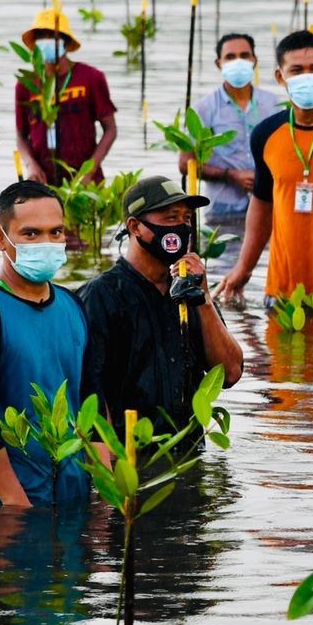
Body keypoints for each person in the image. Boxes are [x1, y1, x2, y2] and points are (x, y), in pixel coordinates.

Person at [213, 30, 313, 314]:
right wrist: (243, 269)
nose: (307, 77)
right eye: (297, 70)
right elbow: (262, 205)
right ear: (280, 77)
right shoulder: (267, 134)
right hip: (283, 291)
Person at [81, 176, 244, 434]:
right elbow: (88, 391)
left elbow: (231, 373)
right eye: (171, 218)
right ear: (135, 227)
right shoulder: (101, 296)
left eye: (186, 219)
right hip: (131, 455)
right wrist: (110, 462)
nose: (181, 226)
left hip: (188, 453)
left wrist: (203, 299)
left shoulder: (190, 291)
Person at [0, 181, 91, 511]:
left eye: (56, 232)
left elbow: (92, 403)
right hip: (8, 505)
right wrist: (15, 505)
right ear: (0, 239)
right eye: (31, 234)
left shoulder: (73, 305)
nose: (46, 243)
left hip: (73, 493)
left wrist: (105, 495)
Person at [182, 32, 283, 224]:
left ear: (255, 60)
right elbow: (186, 162)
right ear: (218, 63)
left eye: (244, 56)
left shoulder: (273, 104)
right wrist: (230, 175)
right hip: (222, 209)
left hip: (270, 206)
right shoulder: (204, 108)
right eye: (230, 57)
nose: (238, 62)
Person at [13, 8, 118, 185]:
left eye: (52, 35)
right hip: (43, 181)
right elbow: (21, 136)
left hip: (85, 180)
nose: (46, 41)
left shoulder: (91, 78)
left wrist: (89, 170)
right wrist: (31, 165)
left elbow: (110, 129)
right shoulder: (26, 84)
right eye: (41, 35)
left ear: (65, 41)